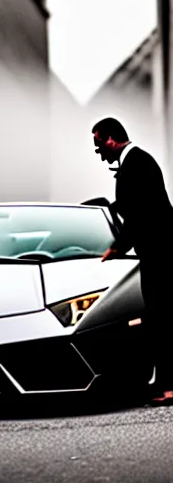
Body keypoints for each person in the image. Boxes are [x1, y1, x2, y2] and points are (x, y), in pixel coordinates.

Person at [92, 117, 173, 405]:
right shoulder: (137, 163)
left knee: (161, 319)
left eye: (99, 144)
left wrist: (117, 247)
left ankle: (169, 387)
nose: (99, 152)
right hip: (159, 252)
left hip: (160, 255)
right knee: (160, 318)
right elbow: (135, 205)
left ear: (112, 139)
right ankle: (165, 384)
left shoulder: (136, 164)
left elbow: (141, 212)